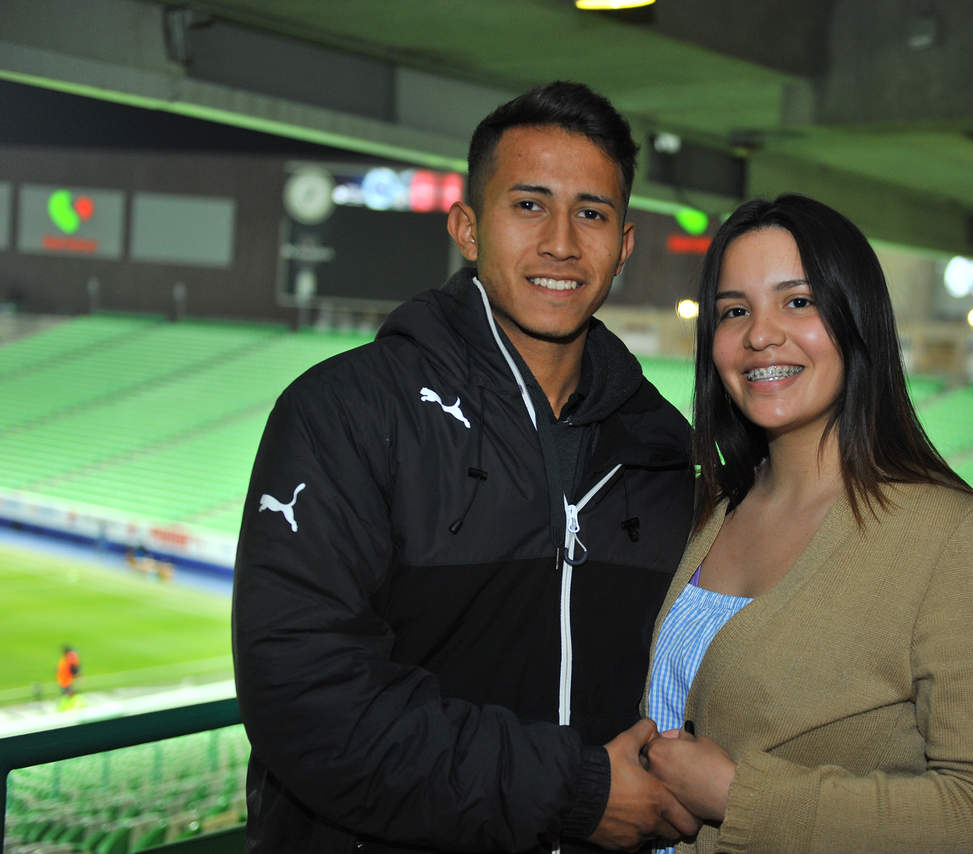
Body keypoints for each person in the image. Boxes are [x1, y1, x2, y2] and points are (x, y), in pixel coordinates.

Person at [233, 81, 698, 853]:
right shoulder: (346, 413)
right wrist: (575, 792)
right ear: (468, 228)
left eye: (591, 213)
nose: (560, 242)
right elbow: (307, 700)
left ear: (624, 244)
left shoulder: (661, 447)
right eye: (529, 205)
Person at [641, 195, 973, 852]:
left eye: (798, 301)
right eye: (734, 311)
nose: (760, 334)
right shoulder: (712, 509)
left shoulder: (947, 536)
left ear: (856, 319)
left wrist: (739, 798)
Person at [56, 644, 80, 710]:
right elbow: (74, 669)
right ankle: (68, 706)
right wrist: (77, 675)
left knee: (66, 695)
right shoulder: (70, 659)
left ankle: (67, 706)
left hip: (64, 681)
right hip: (66, 681)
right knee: (68, 695)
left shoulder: (64, 660)